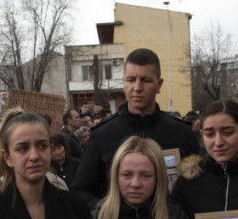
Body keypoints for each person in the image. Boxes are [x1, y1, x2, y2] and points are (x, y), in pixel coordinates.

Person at [72, 48, 200, 209]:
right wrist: (110, 213)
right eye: (131, 80)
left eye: (146, 80)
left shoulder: (182, 134)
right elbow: (81, 191)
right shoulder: (102, 135)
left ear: (159, 84)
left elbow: (198, 189)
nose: (137, 87)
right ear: (124, 82)